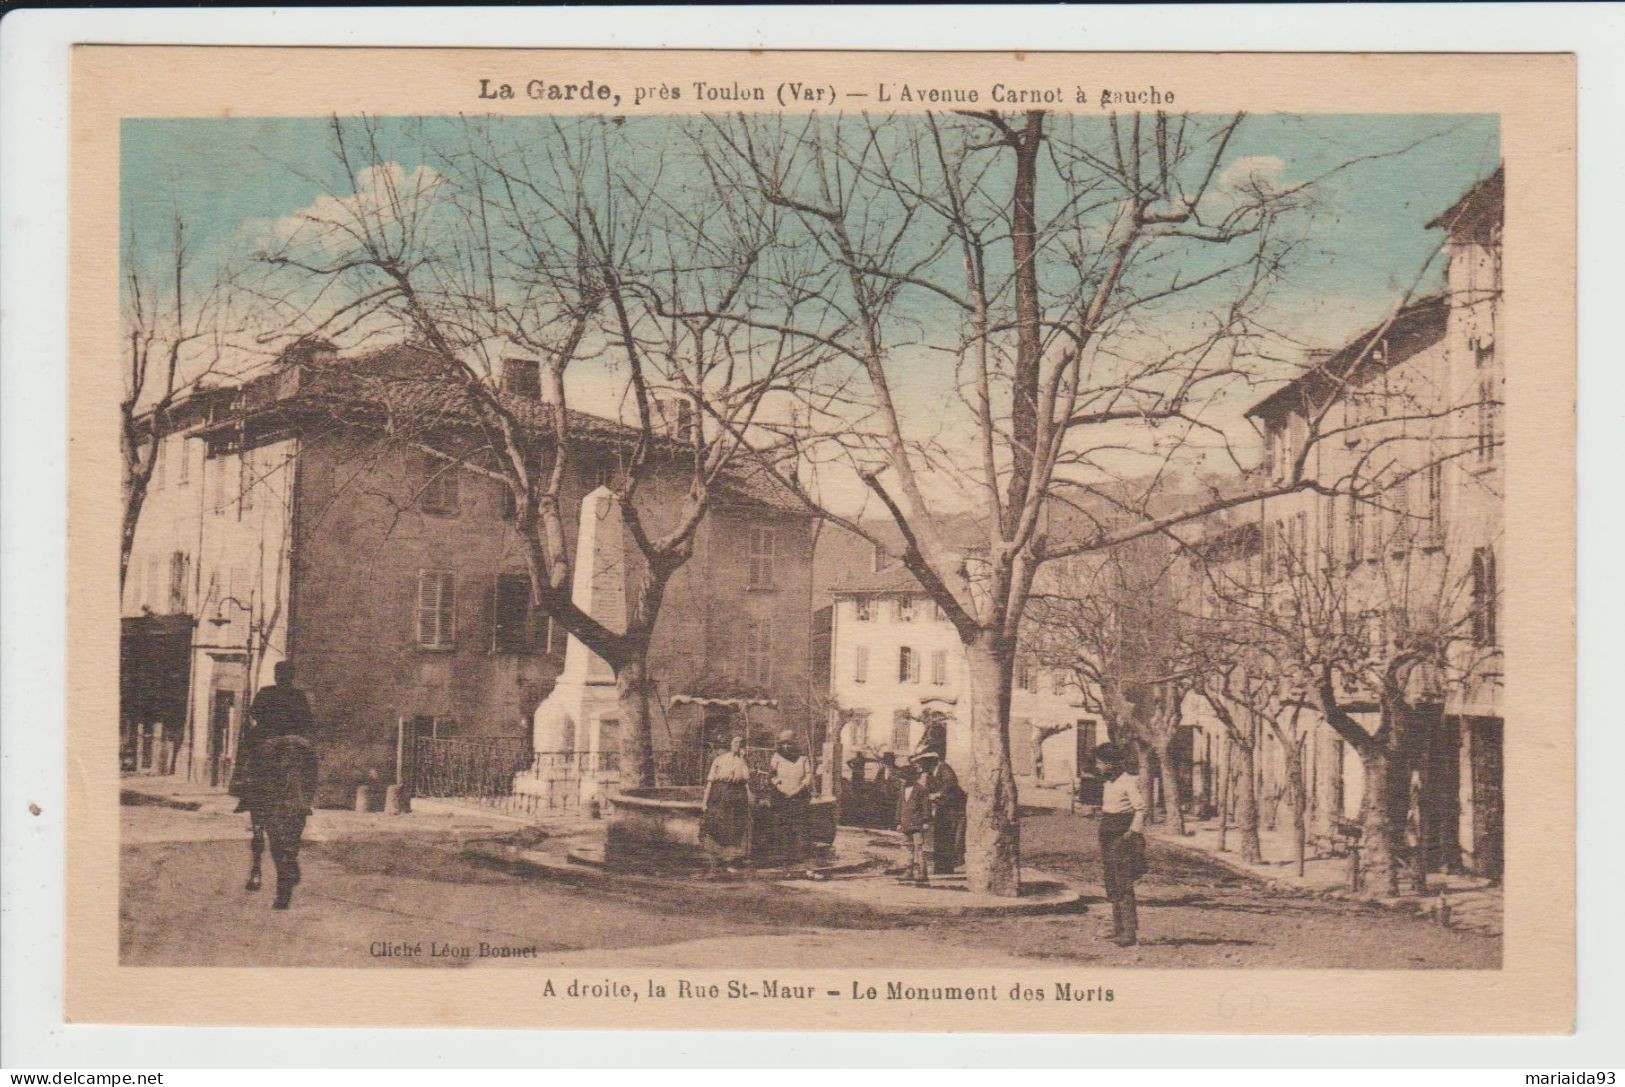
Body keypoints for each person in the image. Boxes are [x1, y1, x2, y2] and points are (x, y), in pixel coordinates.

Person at [1094, 743, 1149, 946]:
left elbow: (1141, 809)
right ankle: (1118, 928)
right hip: (1107, 835)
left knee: (1123, 883)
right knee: (1112, 882)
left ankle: (1130, 931)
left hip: (1121, 837)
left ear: (1109, 763)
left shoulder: (1128, 781)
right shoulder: (1108, 782)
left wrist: (1131, 834)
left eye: (1100, 762)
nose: (1098, 766)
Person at [701, 735, 754, 871]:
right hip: (720, 794)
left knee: (735, 826)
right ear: (730, 743)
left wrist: (749, 798)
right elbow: (710, 781)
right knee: (717, 824)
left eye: (741, 743)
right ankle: (717, 857)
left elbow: (747, 780)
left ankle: (731, 860)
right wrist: (705, 801)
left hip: (737, 795)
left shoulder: (742, 761)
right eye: (735, 742)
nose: (738, 745)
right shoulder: (719, 760)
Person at [915, 751, 966, 874]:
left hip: (955, 810)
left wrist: (937, 795)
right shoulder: (930, 773)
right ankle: (942, 867)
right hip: (943, 808)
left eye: (921, 763)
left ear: (929, 761)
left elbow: (950, 786)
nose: (920, 766)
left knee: (951, 837)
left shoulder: (944, 769)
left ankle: (948, 867)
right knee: (941, 836)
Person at [768, 729, 812, 865]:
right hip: (781, 796)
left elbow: (808, 775)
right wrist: (779, 787)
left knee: (799, 826)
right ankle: (782, 856)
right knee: (781, 825)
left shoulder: (803, 758)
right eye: (783, 744)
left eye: (789, 743)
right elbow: (772, 775)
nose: (786, 746)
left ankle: (799, 856)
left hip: (799, 796)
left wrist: (799, 789)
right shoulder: (776, 757)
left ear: (795, 744)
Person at [894, 763, 932, 885]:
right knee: (907, 848)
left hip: (917, 824)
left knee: (919, 849)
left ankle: (922, 872)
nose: (902, 780)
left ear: (910, 777)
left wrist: (926, 821)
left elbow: (926, 807)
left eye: (903, 778)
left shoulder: (921, 790)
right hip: (905, 824)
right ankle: (908, 871)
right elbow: (900, 806)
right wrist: (898, 821)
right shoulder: (903, 789)